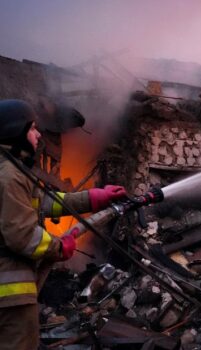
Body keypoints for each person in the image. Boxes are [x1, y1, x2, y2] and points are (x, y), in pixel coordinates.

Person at [0, 99, 127, 350]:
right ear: (16, 131)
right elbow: (21, 235)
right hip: (10, 294)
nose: (38, 135)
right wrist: (60, 247)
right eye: (32, 128)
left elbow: (48, 202)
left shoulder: (14, 170)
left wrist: (94, 197)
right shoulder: (10, 176)